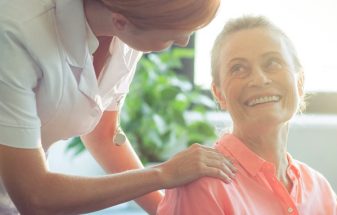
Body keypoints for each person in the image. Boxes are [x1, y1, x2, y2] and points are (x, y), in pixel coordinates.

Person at [0, 0, 238, 214]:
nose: (184, 40)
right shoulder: (15, 33)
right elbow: (34, 195)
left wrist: (164, 210)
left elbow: (103, 134)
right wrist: (164, 174)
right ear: (120, 21)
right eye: (171, 35)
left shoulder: (125, 30)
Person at [157, 16, 337, 215]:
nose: (259, 79)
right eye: (238, 68)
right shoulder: (202, 186)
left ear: (300, 83)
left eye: (273, 63)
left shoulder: (320, 189)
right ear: (219, 94)